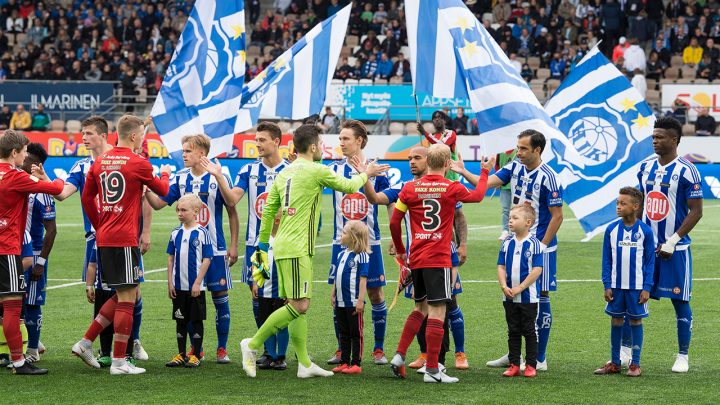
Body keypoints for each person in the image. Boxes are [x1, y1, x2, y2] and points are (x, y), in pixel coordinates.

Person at [239, 124, 389, 379]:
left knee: (296, 303)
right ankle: (252, 344)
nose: (322, 147)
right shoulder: (316, 170)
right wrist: (367, 173)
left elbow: (267, 215)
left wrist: (262, 250)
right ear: (311, 147)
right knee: (300, 304)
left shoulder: (285, 173)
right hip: (298, 248)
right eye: (320, 143)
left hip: (282, 246)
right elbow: (349, 185)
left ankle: (305, 363)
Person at [453, 130, 563, 371]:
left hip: (539, 246)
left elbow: (557, 216)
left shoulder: (550, 177)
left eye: (523, 149)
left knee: (540, 297)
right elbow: (487, 183)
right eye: (518, 147)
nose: (518, 152)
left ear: (537, 150)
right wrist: (463, 172)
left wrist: (541, 246)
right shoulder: (514, 167)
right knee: (513, 298)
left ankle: (539, 358)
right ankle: (515, 355)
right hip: (516, 244)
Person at [72, 114, 171, 375]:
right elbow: (162, 191)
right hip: (125, 238)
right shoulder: (139, 162)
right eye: (143, 135)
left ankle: (86, 342)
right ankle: (118, 361)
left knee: (124, 293)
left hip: (104, 238)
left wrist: (99, 225)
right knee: (128, 297)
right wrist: (166, 174)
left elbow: (86, 198)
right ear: (135, 136)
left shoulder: (100, 161)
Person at [388, 144, 493, 383]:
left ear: (428, 162)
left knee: (419, 309)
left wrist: (402, 250)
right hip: (439, 257)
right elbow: (478, 195)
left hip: (417, 257)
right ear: (447, 164)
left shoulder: (410, 188)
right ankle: (433, 369)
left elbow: (395, 223)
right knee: (437, 311)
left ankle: (399, 355)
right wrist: (484, 172)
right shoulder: (451, 187)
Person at [364, 146, 470, 371]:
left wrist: (462, 244)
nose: (412, 162)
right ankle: (427, 357)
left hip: (444, 254)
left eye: (417, 158)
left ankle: (459, 353)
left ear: (429, 160)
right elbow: (374, 198)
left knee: (449, 304)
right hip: (418, 257)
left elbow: (459, 216)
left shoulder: (443, 186)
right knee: (423, 306)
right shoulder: (405, 187)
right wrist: (366, 176)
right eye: (409, 158)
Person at [56, 116, 150, 362]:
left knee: (131, 291)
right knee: (111, 292)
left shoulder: (125, 159)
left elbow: (144, 199)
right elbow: (64, 194)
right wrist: (41, 179)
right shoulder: (81, 166)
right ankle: (108, 352)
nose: (83, 138)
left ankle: (130, 342)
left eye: (87, 133)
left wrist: (146, 231)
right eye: (83, 133)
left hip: (124, 235)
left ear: (103, 134)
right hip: (98, 238)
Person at [146, 133, 239, 364]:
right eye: (183, 150)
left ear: (201, 154)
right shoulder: (180, 178)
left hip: (216, 249)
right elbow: (159, 204)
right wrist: (146, 188)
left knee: (220, 297)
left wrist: (234, 244)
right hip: (188, 253)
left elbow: (232, 207)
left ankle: (222, 348)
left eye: (187, 151)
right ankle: (195, 348)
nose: (183, 155)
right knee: (188, 298)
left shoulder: (220, 173)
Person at [201, 122, 288, 365]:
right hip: (256, 245)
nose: (257, 144)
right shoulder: (248, 170)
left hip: (283, 245)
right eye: (256, 140)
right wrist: (219, 177)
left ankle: (280, 354)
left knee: (281, 298)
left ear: (276, 142)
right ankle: (268, 351)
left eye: (262, 140)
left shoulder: (291, 170)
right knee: (258, 296)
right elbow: (231, 200)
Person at [637, 116, 703, 373]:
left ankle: (683, 355)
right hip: (645, 249)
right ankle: (625, 354)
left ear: (674, 140)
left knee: (680, 300)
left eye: (660, 137)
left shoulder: (688, 171)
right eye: (653, 136)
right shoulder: (644, 168)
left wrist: (673, 240)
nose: (654, 141)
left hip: (675, 250)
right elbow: (639, 203)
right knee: (634, 299)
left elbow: (696, 212)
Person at [326, 120, 391, 366]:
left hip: (369, 243)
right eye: (340, 139)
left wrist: (395, 238)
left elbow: (389, 202)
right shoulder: (332, 169)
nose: (341, 143)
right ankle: (343, 349)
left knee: (375, 293)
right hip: (340, 243)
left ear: (359, 141)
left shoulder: (378, 168)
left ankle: (378, 349)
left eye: (345, 139)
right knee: (339, 295)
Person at [0, 129, 64, 375]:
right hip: (7, 250)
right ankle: (18, 361)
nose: (26, 156)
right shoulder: (16, 177)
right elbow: (55, 188)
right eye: (24, 152)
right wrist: (46, 176)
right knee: (13, 306)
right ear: (14, 153)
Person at [594, 187, 654, 377]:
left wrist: (647, 288)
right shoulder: (611, 230)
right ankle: (615, 362)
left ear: (635, 206)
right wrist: (607, 284)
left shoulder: (645, 231)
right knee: (616, 319)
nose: (618, 207)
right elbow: (606, 259)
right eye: (617, 203)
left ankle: (635, 364)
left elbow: (650, 261)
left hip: (636, 287)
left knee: (636, 320)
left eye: (623, 203)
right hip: (616, 287)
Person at [165, 194, 213, 369]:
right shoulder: (175, 233)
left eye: (183, 210)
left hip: (195, 287)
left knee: (196, 320)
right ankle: (181, 353)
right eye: (177, 209)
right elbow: (171, 258)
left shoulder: (202, 233)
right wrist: (170, 282)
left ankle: (196, 354)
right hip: (179, 286)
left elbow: (207, 259)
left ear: (196, 211)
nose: (179, 213)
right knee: (180, 320)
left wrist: (197, 283)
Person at [19, 143, 57, 363]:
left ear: (35, 164)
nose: (23, 159)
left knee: (32, 302)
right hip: (14, 252)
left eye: (27, 157)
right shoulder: (15, 183)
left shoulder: (41, 191)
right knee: (16, 302)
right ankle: (26, 343)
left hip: (33, 255)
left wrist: (41, 262)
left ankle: (33, 348)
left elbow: (51, 230)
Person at [497, 205, 544, 378]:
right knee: (513, 330)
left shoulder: (535, 244)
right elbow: (501, 266)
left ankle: (531, 365)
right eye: (510, 217)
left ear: (528, 222)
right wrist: (504, 286)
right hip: (508, 296)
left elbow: (537, 270)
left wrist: (520, 287)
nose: (510, 220)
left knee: (529, 330)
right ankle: (514, 364)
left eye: (515, 218)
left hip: (528, 297)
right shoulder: (507, 242)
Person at [330, 220, 371, 375]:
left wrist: (360, 300)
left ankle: (356, 363)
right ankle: (344, 361)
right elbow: (337, 276)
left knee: (356, 333)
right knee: (344, 332)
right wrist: (333, 293)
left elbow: (363, 279)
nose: (341, 235)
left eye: (344, 233)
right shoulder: (341, 254)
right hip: (340, 302)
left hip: (354, 302)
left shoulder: (362, 256)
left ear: (354, 237)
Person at [416, 110, 458, 181]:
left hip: (451, 178)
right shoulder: (432, 137)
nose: (437, 119)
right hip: (436, 179)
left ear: (444, 121)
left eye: (439, 117)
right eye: (434, 118)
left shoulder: (450, 133)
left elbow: (441, 146)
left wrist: (424, 133)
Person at [497, 149, 517, 240]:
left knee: (518, 209)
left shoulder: (517, 151)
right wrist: (498, 180)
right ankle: (505, 231)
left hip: (516, 185)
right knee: (505, 209)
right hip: (504, 185)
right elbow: (497, 166)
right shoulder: (500, 153)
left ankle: (516, 230)